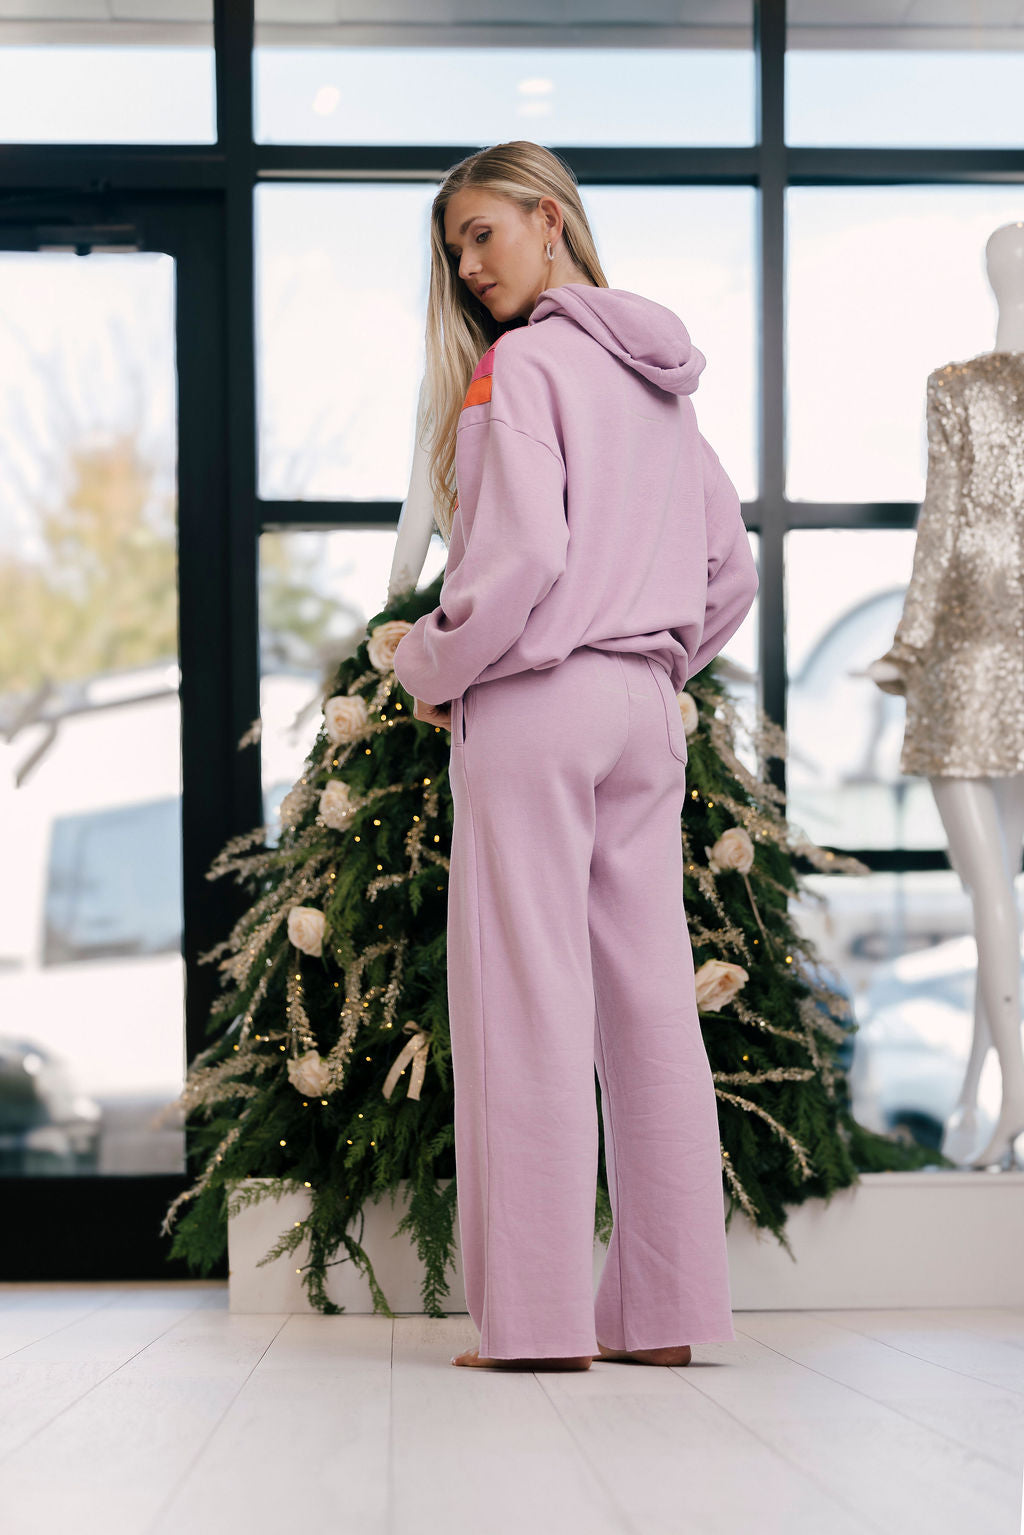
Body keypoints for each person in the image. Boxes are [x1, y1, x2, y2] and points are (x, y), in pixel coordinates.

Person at [391, 140, 759, 1372]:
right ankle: (665, 1320)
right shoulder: (662, 384)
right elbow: (733, 569)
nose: (468, 263)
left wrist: (423, 667)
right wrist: (655, 660)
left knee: (525, 1001)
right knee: (652, 1006)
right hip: (643, 710)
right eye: (455, 249)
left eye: (482, 231)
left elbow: (515, 568)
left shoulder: (522, 366)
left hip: (537, 703)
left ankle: (539, 1324)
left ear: (549, 220)